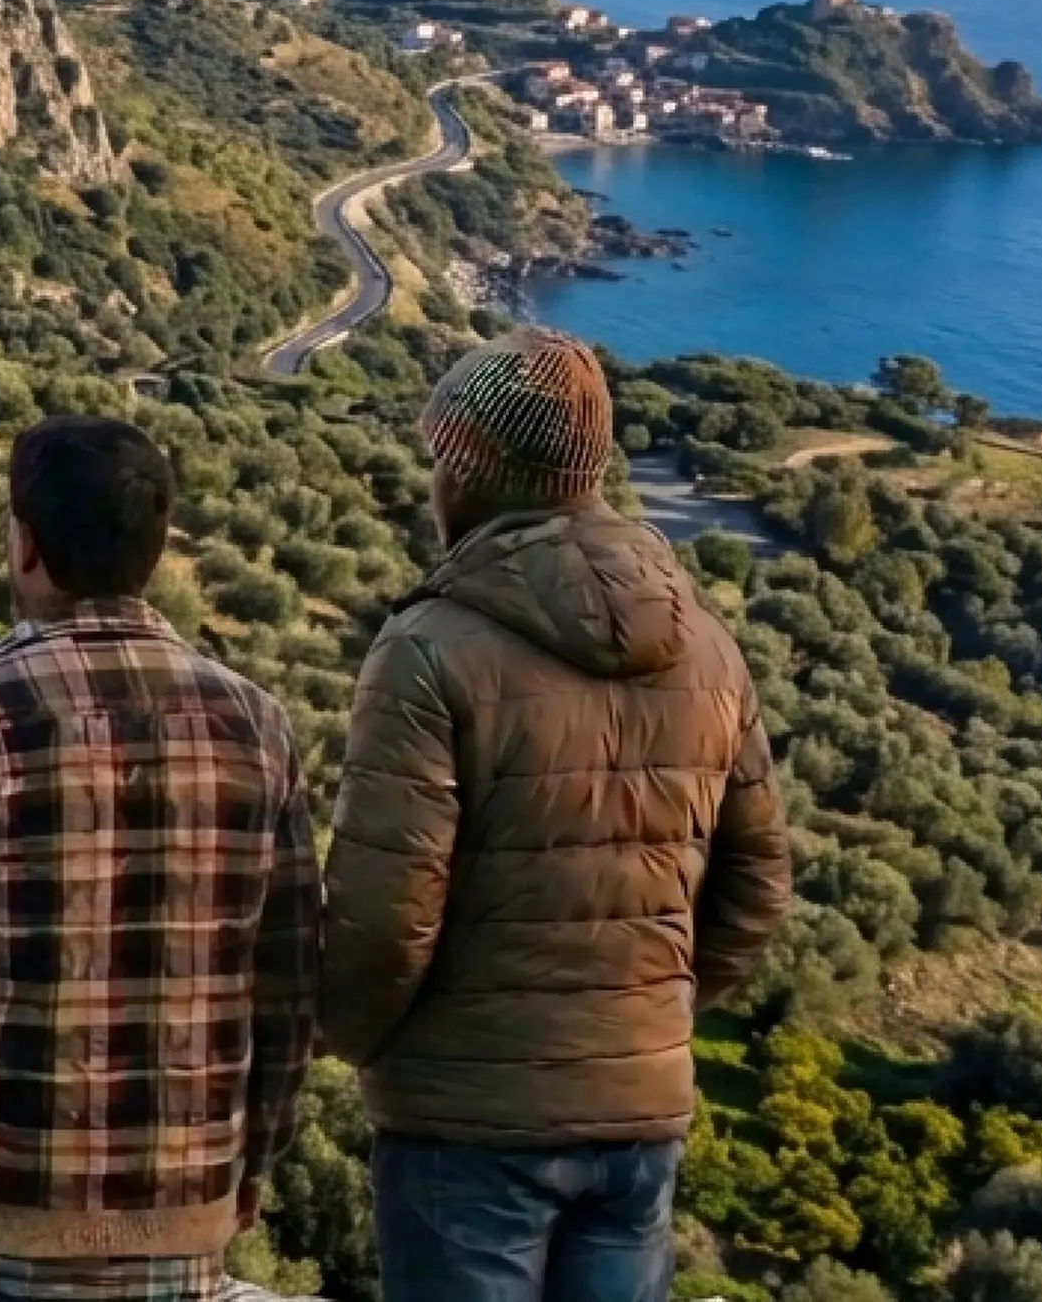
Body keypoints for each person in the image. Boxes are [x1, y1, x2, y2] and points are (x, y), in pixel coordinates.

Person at [326, 327, 791, 1302]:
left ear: (474, 470)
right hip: (638, 1121)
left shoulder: (428, 650)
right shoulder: (708, 646)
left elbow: (384, 916)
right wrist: (648, 1018)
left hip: (468, 1121)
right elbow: (758, 880)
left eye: (440, 459)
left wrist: (354, 1037)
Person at [0, 415, 320, 1302]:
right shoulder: (259, 727)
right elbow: (287, 977)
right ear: (155, 551)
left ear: (24, 545)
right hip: (178, 1216)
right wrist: (254, 1160)